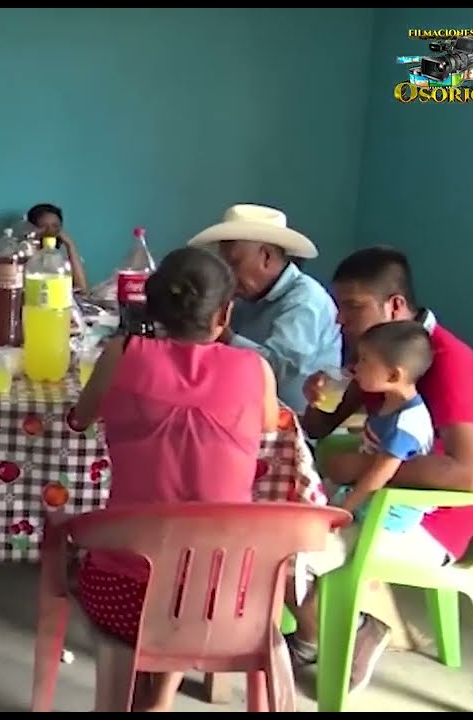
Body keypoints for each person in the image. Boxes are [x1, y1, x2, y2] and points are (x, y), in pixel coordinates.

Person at [68, 246, 280, 711]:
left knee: (120, 561)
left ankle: (148, 695)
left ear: (155, 306)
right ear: (225, 312)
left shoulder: (122, 354)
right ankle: (159, 698)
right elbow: (269, 426)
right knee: (192, 571)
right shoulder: (254, 370)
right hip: (225, 600)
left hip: (123, 598)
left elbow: (80, 419)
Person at [290, 246, 473, 693]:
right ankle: (312, 634)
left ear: (395, 306)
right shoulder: (377, 354)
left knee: (300, 545)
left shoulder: (447, 360)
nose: (340, 320)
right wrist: (315, 398)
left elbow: (469, 476)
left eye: (353, 306)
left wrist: (359, 469)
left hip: (437, 519)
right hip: (385, 497)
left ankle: (345, 630)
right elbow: (322, 425)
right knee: (283, 523)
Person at [187, 203, 343, 414]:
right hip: (246, 415)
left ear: (266, 257)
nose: (227, 276)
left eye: (234, 263)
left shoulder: (305, 301)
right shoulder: (245, 294)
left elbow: (280, 370)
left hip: (294, 428)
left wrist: (223, 334)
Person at [326, 320, 434, 530]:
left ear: (393, 375)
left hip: (390, 509)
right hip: (370, 494)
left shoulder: (405, 425)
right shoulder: (391, 403)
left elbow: (378, 475)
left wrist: (344, 510)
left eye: (365, 361)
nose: (357, 367)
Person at [25, 202, 90, 294]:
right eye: (43, 226)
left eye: (55, 226)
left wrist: (70, 245)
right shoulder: (23, 253)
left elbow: (83, 290)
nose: (49, 231)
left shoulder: (64, 255)